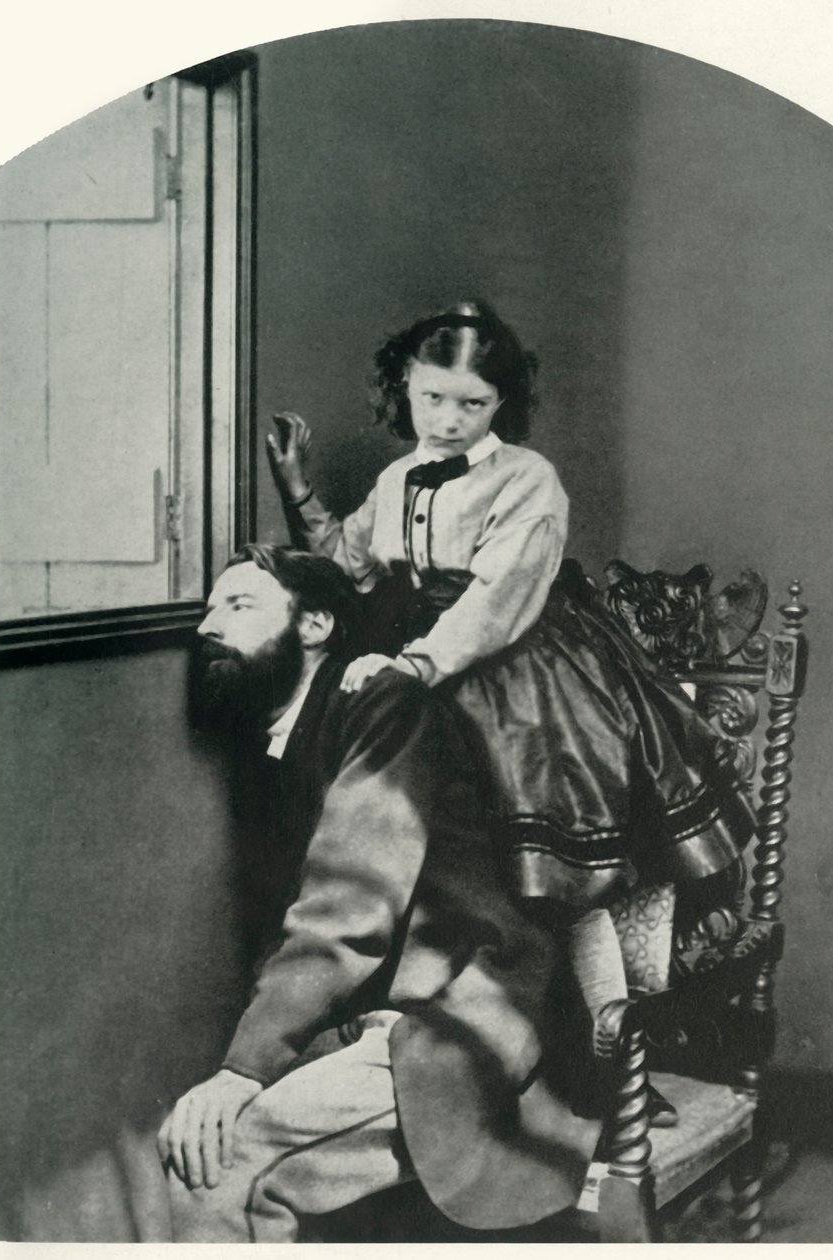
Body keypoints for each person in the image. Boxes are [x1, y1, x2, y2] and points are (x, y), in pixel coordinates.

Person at [267, 302, 755, 935]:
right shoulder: (396, 479)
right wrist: (297, 488)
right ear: (405, 385)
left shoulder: (528, 478)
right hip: (418, 652)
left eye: (473, 403)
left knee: (543, 855)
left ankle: (574, 977)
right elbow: (344, 566)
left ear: (501, 402)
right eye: (432, 397)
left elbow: (499, 596)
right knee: (410, 834)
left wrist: (414, 666)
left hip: (520, 665)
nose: (448, 420)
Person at [158, 544, 601, 1242]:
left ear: (314, 625)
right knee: (208, 1155)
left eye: (238, 605)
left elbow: (352, 900)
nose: (208, 627)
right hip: (377, 1017)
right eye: (208, 611)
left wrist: (243, 1070)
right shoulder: (279, 740)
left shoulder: (382, 704)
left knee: (214, 1163)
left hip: (464, 1006)